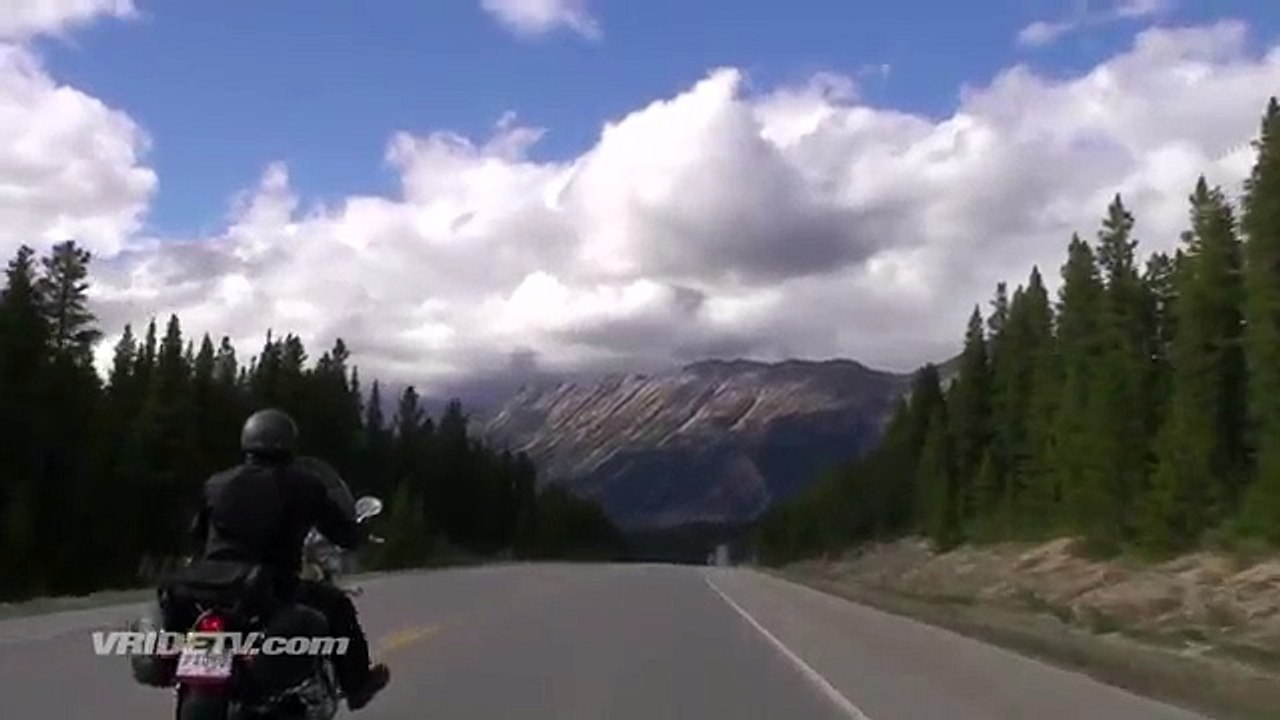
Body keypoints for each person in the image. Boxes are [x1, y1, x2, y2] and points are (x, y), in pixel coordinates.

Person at [186, 408, 390, 711]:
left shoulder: (216, 483)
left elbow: (197, 532)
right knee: (338, 606)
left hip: (212, 586)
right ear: (288, 443)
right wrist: (357, 537)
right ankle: (356, 685)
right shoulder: (304, 484)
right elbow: (341, 532)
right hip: (271, 586)